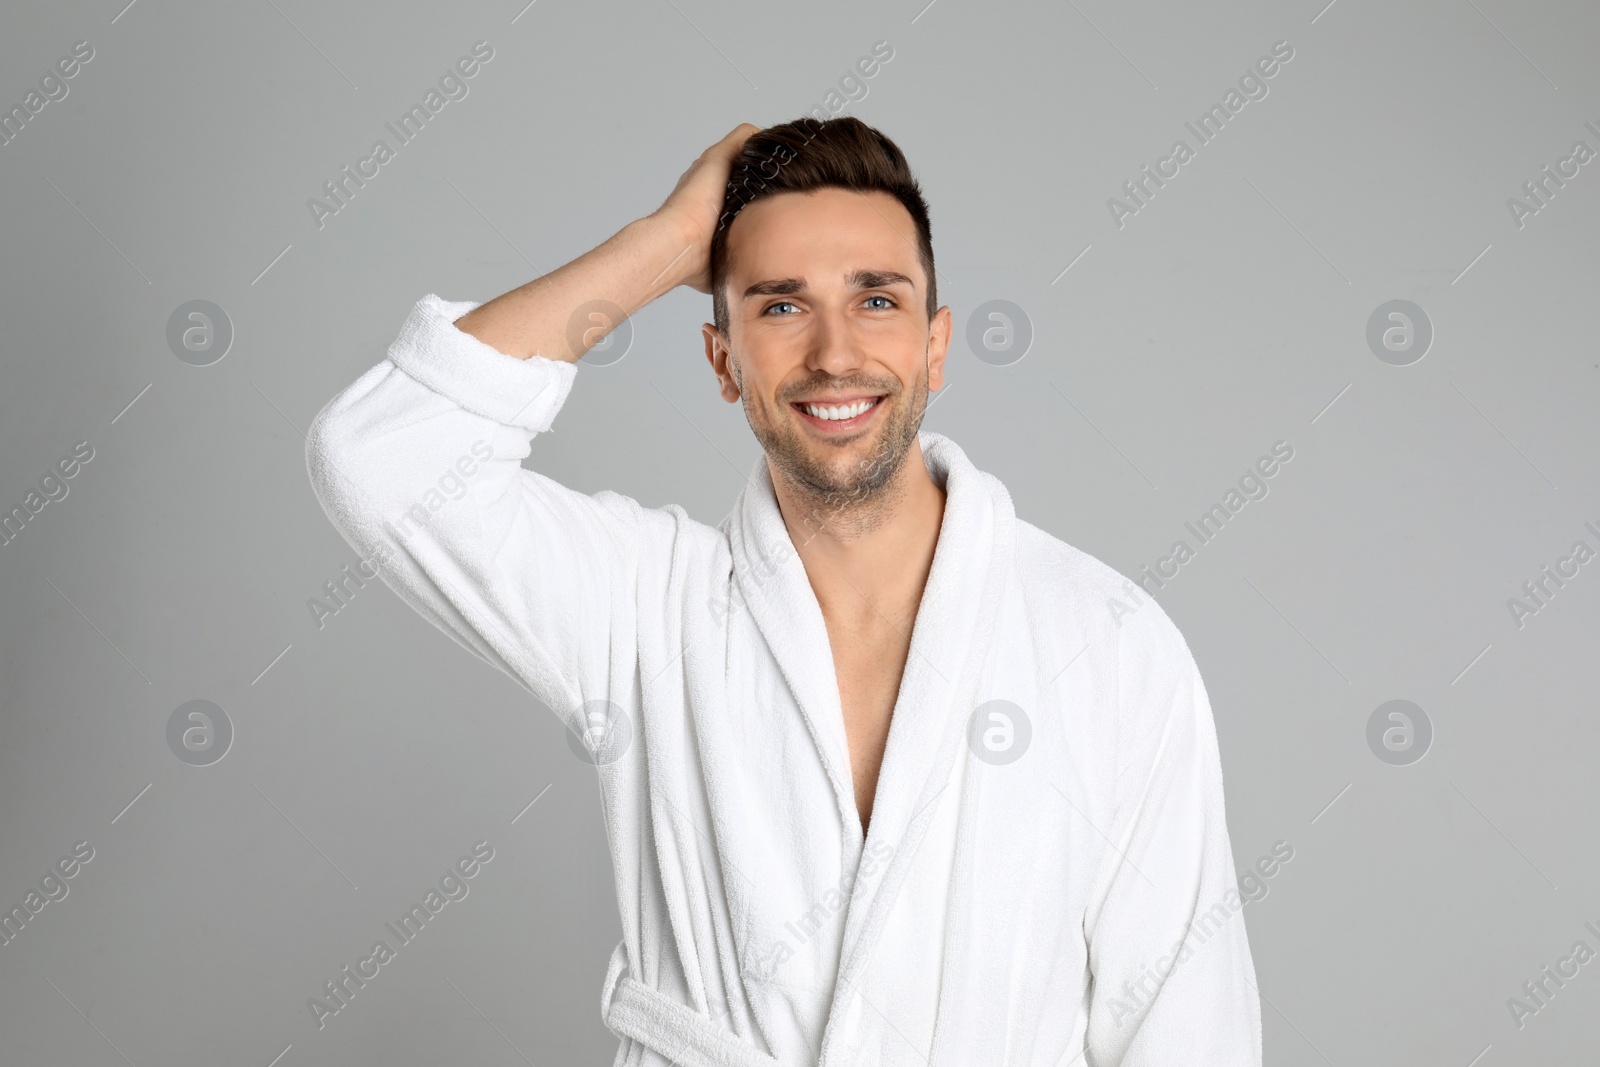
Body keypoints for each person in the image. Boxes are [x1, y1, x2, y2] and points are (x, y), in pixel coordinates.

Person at [306, 116, 1261, 1066]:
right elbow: (381, 456)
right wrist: (668, 243)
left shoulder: (1108, 642)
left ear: (936, 347)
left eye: (877, 301)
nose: (834, 355)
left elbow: (1187, 1027)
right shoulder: (646, 606)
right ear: (724, 362)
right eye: (779, 306)